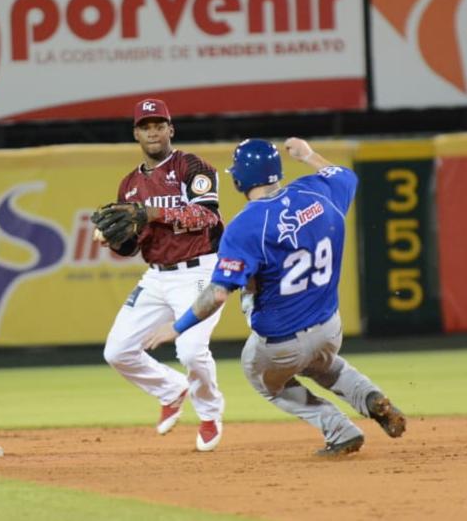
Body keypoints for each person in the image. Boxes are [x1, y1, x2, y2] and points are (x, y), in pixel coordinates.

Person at [146, 137, 406, 456]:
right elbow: (344, 175)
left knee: (262, 377)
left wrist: (177, 327)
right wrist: (309, 155)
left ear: (239, 179)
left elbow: (217, 294)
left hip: (281, 341)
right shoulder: (316, 191)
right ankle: (369, 397)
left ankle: (339, 430)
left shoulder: (245, 227)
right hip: (329, 327)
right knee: (322, 363)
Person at [92, 98, 226, 452]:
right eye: (146, 126)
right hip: (156, 276)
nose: (153, 131)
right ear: (136, 133)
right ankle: (170, 389)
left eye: (159, 125)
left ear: (171, 129)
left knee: (192, 351)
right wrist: (115, 240)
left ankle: (210, 414)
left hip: (199, 270)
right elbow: (134, 245)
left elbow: (206, 216)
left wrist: (150, 213)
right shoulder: (129, 185)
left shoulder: (192, 167)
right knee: (117, 351)